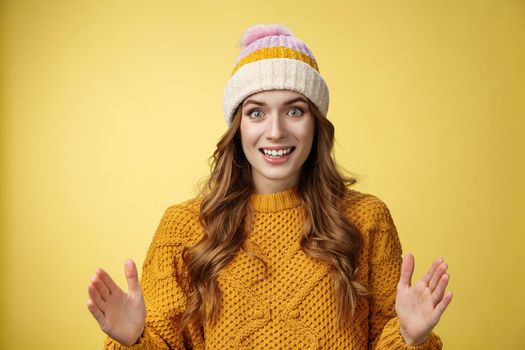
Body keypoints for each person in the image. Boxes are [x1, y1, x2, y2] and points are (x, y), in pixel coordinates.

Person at [86, 24, 453, 349]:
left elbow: (387, 339)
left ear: (316, 124)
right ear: (238, 126)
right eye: (256, 112)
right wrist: (133, 341)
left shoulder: (366, 218)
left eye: (294, 110)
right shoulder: (184, 226)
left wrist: (410, 337)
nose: (275, 131)